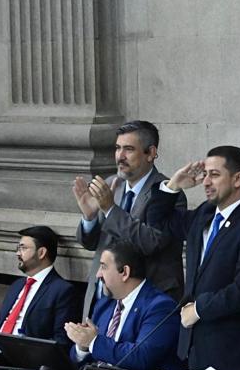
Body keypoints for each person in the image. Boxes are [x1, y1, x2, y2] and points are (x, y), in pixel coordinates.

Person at [149, 145, 240, 370]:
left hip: (229, 354)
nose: (206, 182)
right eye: (205, 174)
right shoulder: (205, 214)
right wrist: (173, 185)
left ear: (238, 178)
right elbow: (158, 222)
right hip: (193, 348)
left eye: (215, 175)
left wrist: (198, 309)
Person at [73, 120, 186, 319]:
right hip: (102, 298)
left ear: (150, 153)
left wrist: (110, 209)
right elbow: (91, 244)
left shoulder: (168, 192)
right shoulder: (110, 185)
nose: (120, 156)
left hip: (147, 304)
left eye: (129, 149)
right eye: (117, 148)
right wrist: (89, 218)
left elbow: (150, 242)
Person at [64, 241, 181, 370]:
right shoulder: (104, 304)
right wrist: (82, 346)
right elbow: (84, 358)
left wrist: (93, 341)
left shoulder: (160, 307)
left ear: (125, 272)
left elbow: (142, 357)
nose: (98, 275)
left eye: (103, 267)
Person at [0, 226, 80, 346]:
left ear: (41, 253)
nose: (17, 253)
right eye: (18, 248)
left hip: (20, 358)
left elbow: (61, 341)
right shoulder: (17, 285)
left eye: (23, 248)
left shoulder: (63, 290)